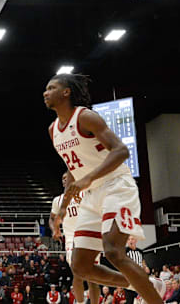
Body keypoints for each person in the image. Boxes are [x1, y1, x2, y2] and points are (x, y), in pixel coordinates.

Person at [44, 74, 165, 304]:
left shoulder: (86, 117)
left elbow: (121, 151)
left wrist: (87, 178)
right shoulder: (53, 131)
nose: (45, 92)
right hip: (91, 194)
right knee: (80, 266)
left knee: (113, 251)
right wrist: (61, 212)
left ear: (66, 92)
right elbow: (73, 169)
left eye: (51, 88)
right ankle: (145, 285)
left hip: (116, 186)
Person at [51, 172, 100, 304]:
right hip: (71, 238)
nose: (65, 180)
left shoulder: (86, 193)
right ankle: (80, 302)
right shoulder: (58, 200)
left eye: (67, 177)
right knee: (77, 272)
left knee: (93, 277)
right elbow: (51, 219)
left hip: (89, 234)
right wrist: (54, 228)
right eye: (63, 178)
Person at [125, 237, 145, 304]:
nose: (130, 241)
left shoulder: (140, 251)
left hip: (140, 279)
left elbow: (143, 263)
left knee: (141, 301)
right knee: (129, 301)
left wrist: (145, 267)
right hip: (129, 280)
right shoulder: (124, 251)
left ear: (136, 240)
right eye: (129, 239)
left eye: (132, 239)